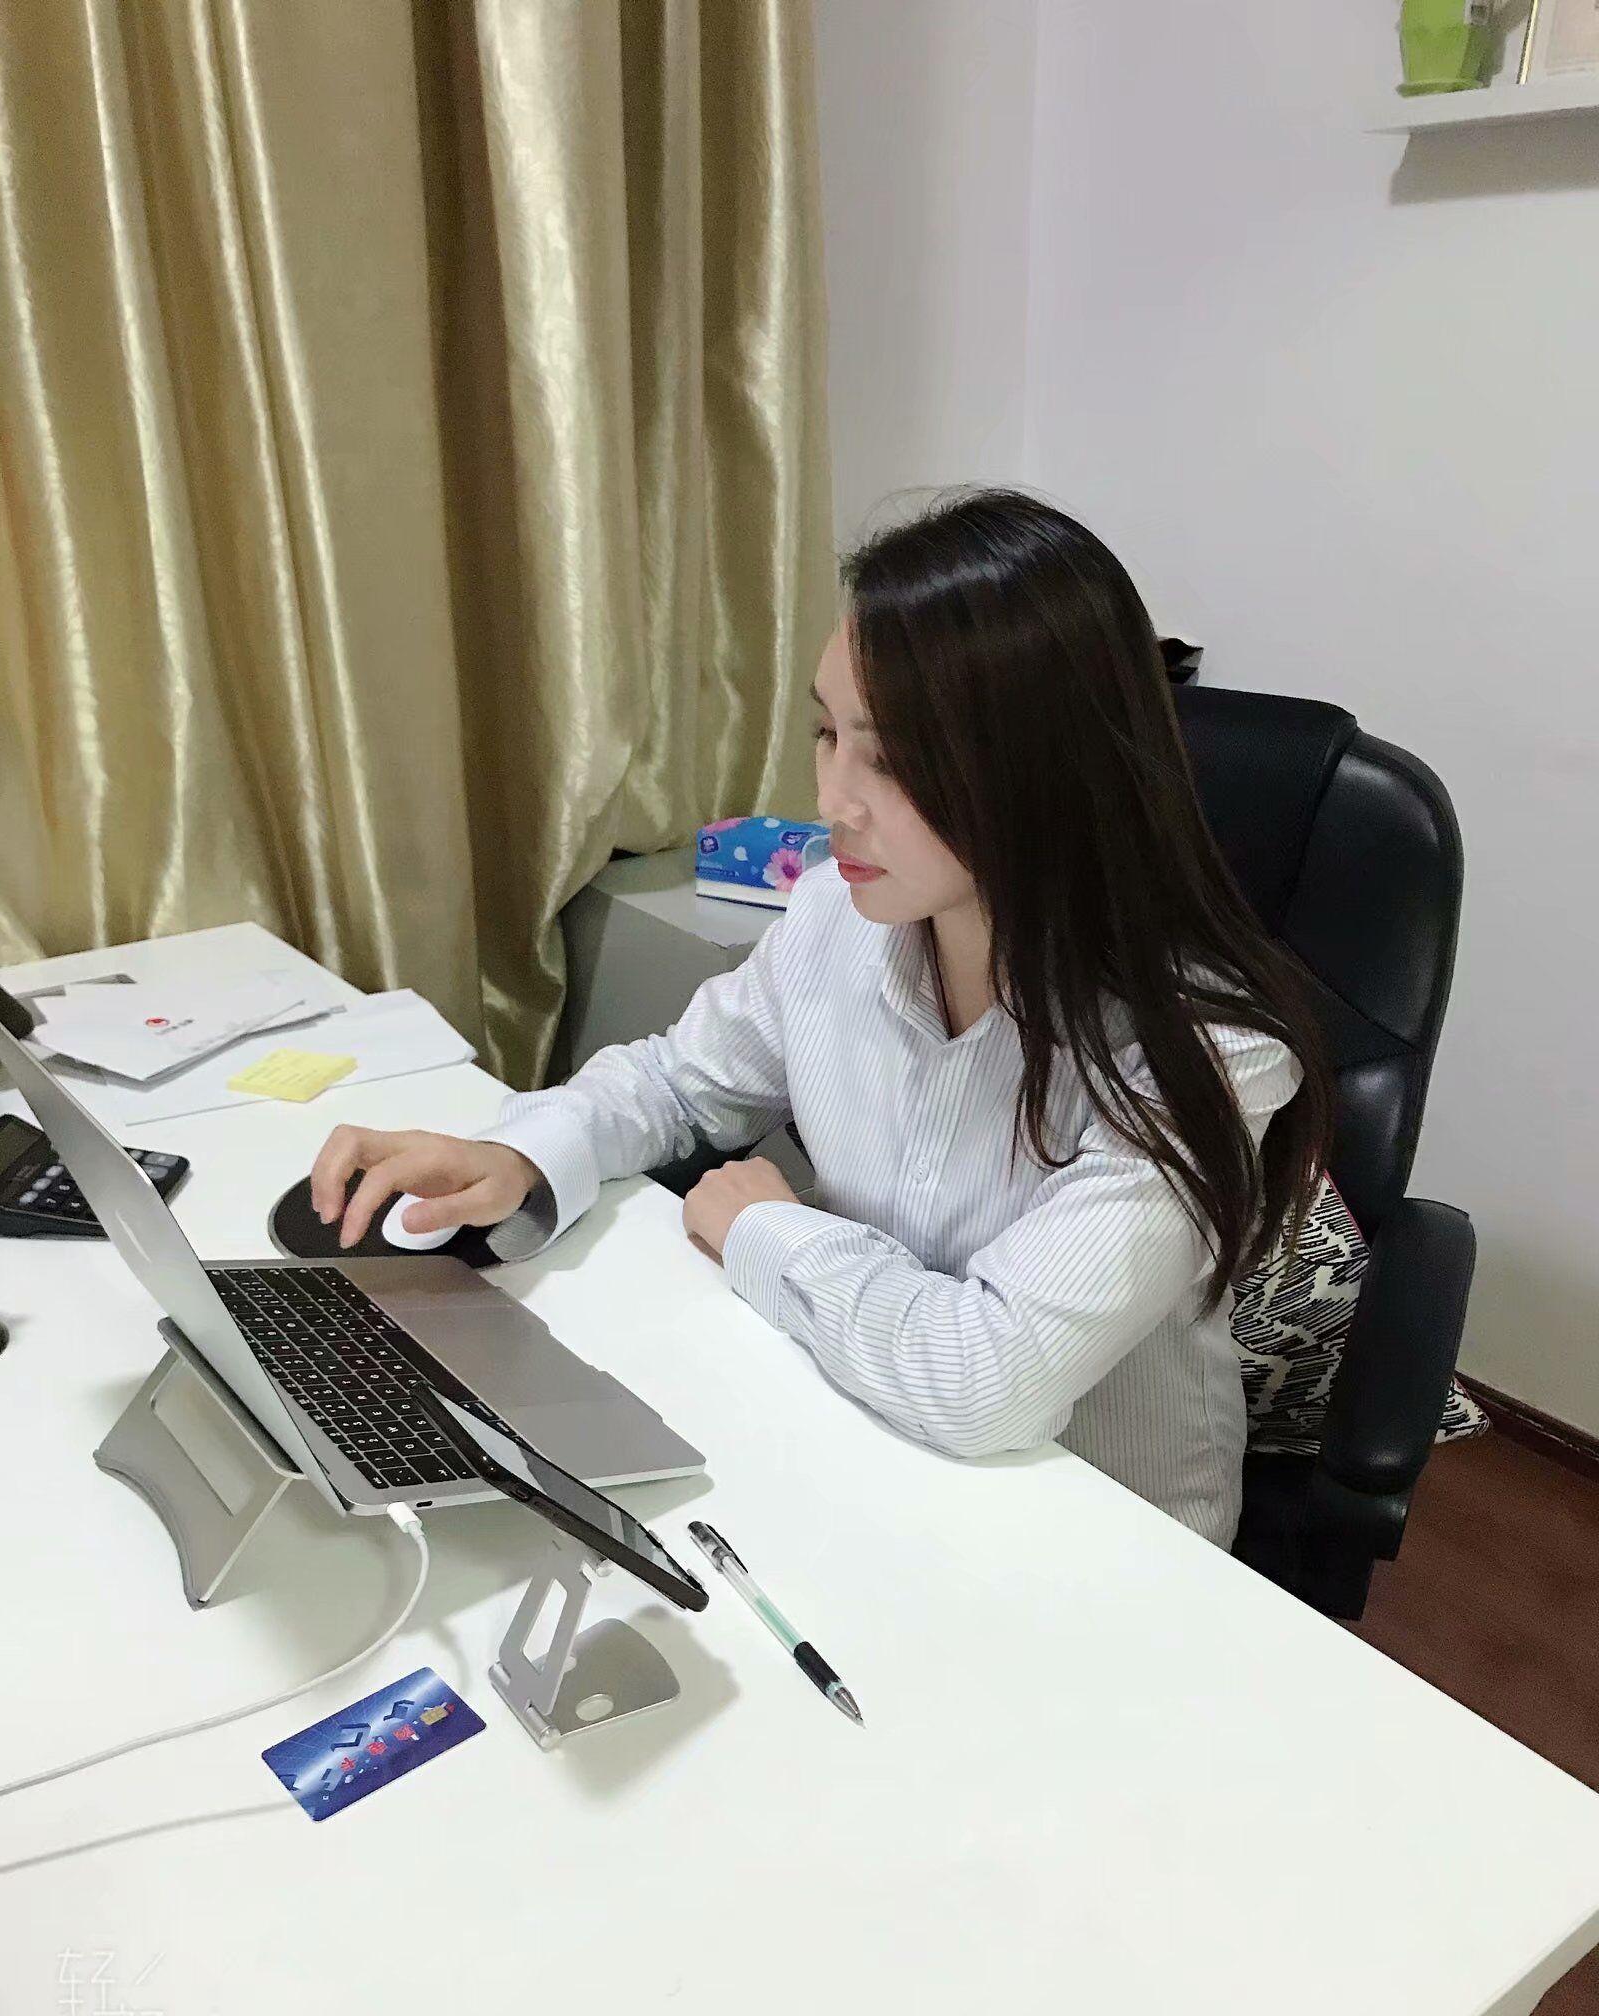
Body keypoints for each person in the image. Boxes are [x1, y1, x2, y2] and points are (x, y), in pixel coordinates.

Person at [311, 489, 1331, 1547]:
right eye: (827, 733)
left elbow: (984, 1382)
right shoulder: (835, 915)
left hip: (1098, 1529)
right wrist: (520, 1153)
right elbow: (676, 1081)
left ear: (1044, 770)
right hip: (862, 1431)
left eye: (889, 758)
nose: (835, 800)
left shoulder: (1206, 1048)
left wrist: (767, 1227)